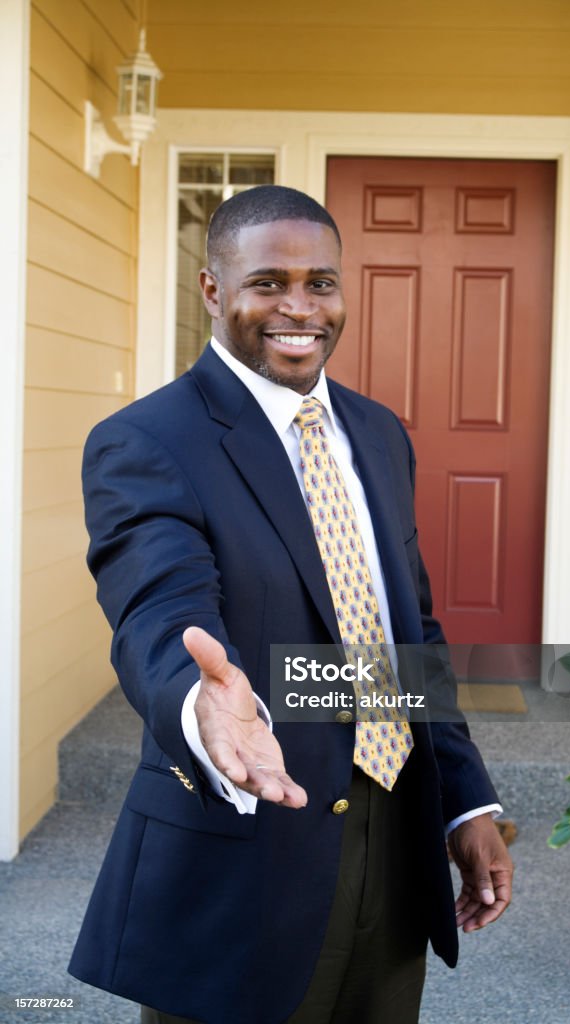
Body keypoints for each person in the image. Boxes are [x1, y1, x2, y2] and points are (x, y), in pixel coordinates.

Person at [69, 186, 513, 1024]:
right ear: (212, 290)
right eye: (268, 282)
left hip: (393, 839)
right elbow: (159, 608)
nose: (299, 308)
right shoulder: (148, 440)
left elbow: (402, 635)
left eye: (321, 283)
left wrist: (464, 798)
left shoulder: (379, 435)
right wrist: (205, 702)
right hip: (248, 851)